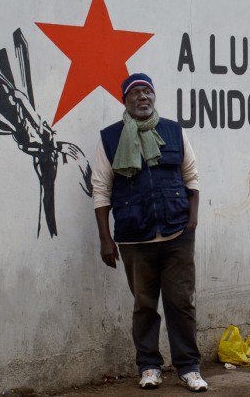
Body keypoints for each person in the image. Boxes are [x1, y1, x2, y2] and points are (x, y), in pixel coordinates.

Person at [91, 73, 208, 392]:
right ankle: (149, 367)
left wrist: (191, 221)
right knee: (144, 305)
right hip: (134, 238)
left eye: (147, 92)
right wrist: (106, 238)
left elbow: (192, 178)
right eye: (135, 93)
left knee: (181, 303)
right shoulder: (110, 138)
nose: (142, 97)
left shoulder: (174, 131)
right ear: (125, 101)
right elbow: (101, 189)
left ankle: (188, 367)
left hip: (176, 235)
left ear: (154, 97)